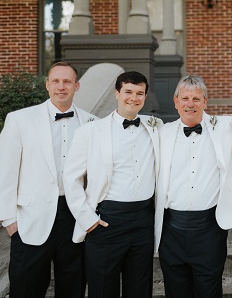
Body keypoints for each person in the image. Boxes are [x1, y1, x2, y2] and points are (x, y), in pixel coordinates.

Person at [0, 61, 95, 298]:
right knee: (26, 288)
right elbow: (5, 171)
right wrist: (9, 221)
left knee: (73, 287)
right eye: (56, 81)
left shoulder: (93, 123)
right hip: (30, 220)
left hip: (74, 217)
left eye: (67, 81)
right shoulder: (19, 120)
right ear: (47, 84)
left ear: (76, 86)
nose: (61, 86)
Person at [63, 71, 161, 298]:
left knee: (140, 288)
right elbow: (71, 178)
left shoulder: (155, 126)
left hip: (144, 220)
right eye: (128, 92)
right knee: (102, 288)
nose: (133, 98)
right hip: (106, 221)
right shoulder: (90, 132)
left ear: (144, 97)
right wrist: (88, 220)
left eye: (139, 93)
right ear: (117, 93)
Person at [154, 75, 232, 298]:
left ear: (205, 102)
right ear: (175, 101)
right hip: (171, 229)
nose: (190, 104)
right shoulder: (161, 133)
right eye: (184, 98)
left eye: (196, 98)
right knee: (176, 291)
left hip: (209, 229)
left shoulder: (225, 126)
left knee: (209, 291)